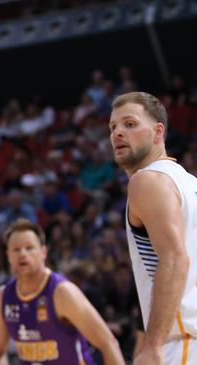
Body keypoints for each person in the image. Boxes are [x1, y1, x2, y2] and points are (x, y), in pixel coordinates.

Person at [110, 91, 197, 365]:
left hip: (182, 342)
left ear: (158, 132)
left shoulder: (147, 180)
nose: (117, 133)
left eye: (130, 124)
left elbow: (175, 259)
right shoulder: (189, 183)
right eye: (113, 127)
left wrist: (153, 345)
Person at [0, 218, 125, 365]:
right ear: (8, 255)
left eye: (29, 247)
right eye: (16, 249)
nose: (22, 253)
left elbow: (108, 343)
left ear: (43, 252)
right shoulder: (4, 296)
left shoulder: (62, 292)